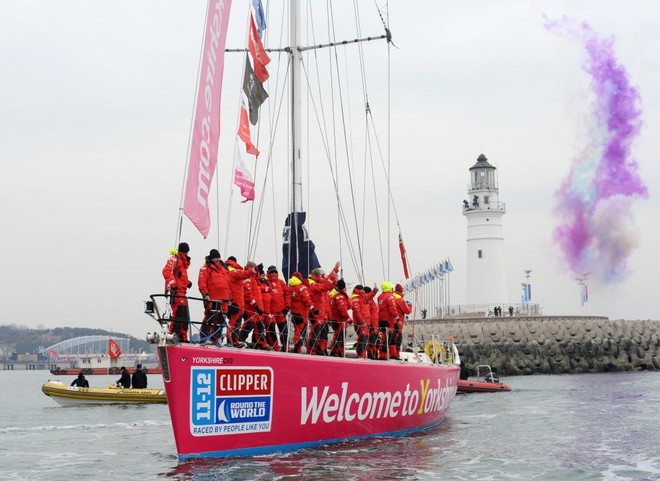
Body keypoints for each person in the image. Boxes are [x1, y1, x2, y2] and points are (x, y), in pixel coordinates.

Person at [162, 242, 192, 342]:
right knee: (178, 315)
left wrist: (187, 283)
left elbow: (180, 276)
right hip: (176, 292)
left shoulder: (182, 263)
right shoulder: (175, 259)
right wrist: (173, 284)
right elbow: (166, 271)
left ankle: (183, 336)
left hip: (182, 293)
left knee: (185, 317)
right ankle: (172, 336)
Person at [377, 281, 401, 360]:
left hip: (381, 320)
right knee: (388, 338)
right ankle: (384, 355)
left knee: (383, 337)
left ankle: (388, 354)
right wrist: (397, 319)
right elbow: (393, 308)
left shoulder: (380, 296)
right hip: (388, 321)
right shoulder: (390, 296)